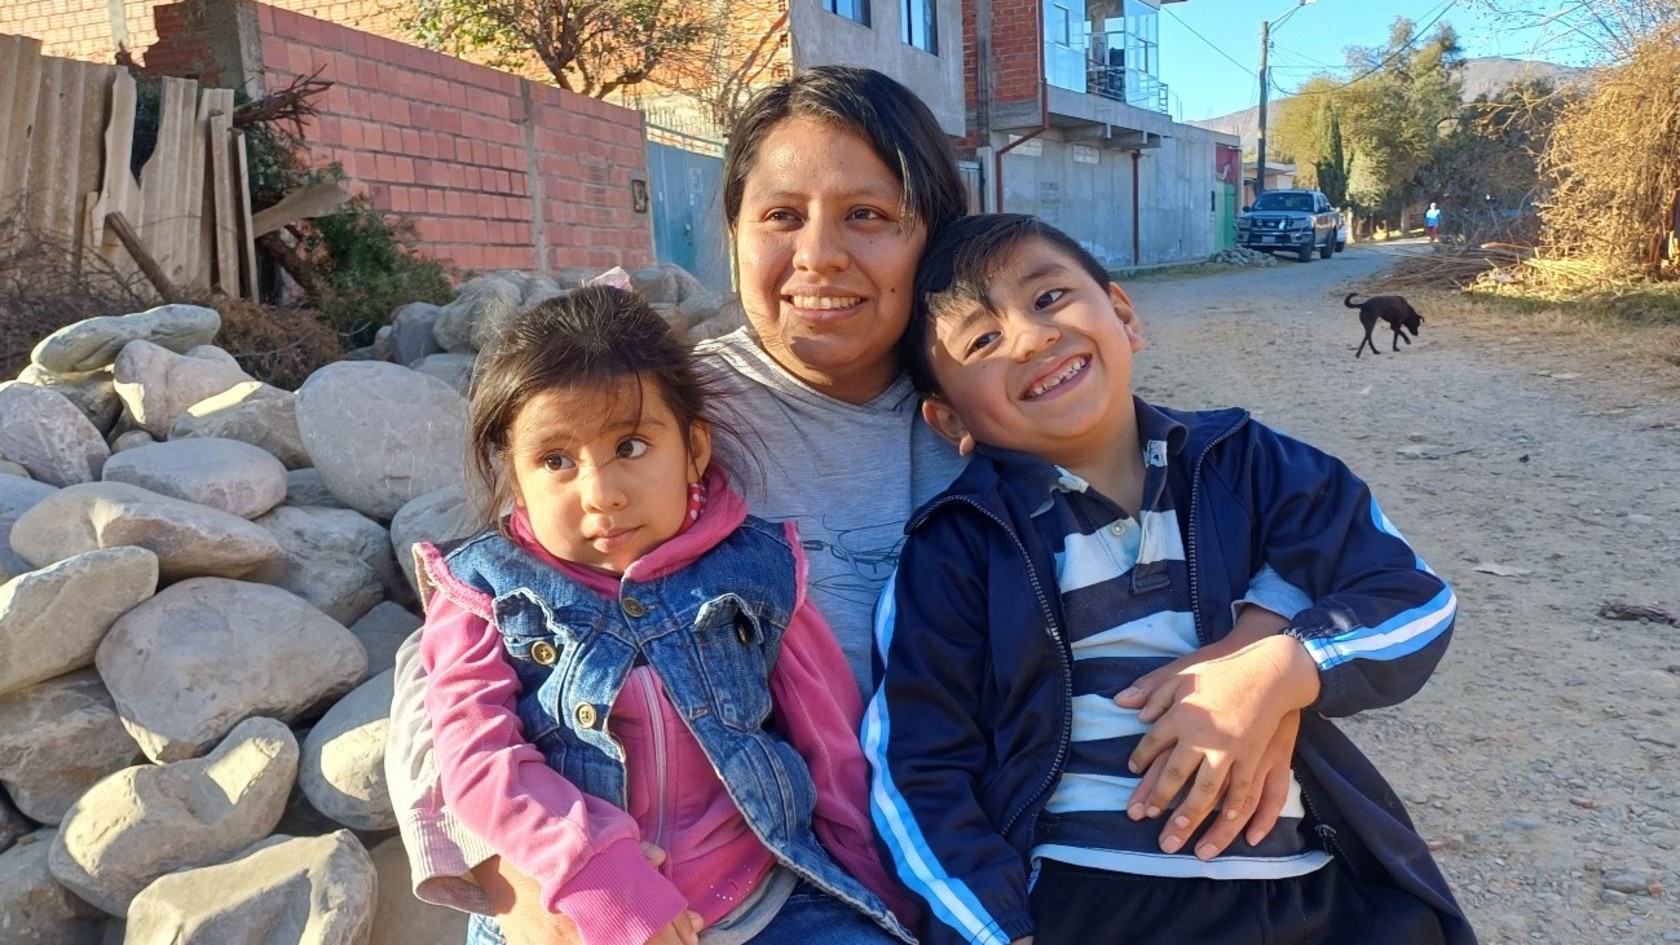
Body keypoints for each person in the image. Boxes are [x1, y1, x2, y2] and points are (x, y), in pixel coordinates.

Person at [385, 66, 1309, 945]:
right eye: (781, 216)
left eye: (868, 216)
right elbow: (464, 646)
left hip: (965, 890)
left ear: (934, 237)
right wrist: (518, 880)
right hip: (660, 896)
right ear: (736, 232)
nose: (818, 257)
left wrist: (1261, 661)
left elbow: (1251, 535)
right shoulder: (654, 424)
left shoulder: (1004, 406)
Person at [865, 213, 1475, 945]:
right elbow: (918, 763)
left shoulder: (1250, 464)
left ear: (1123, 314)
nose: (1031, 338)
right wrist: (996, 930)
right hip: (1091, 902)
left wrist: (1284, 666)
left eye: (1050, 298)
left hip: (1304, 892)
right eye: (983, 341)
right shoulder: (957, 547)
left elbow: (1413, 598)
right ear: (947, 418)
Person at [417, 284, 917, 945]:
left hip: (762, 899)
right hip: (571, 905)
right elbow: (477, 757)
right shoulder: (484, 592)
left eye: (629, 447)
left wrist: (877, 893)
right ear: (515, 476)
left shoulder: (755, 570)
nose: (601, 494)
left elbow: (832, 749)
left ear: (696, 451)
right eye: (556, 460)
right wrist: (594, 867)